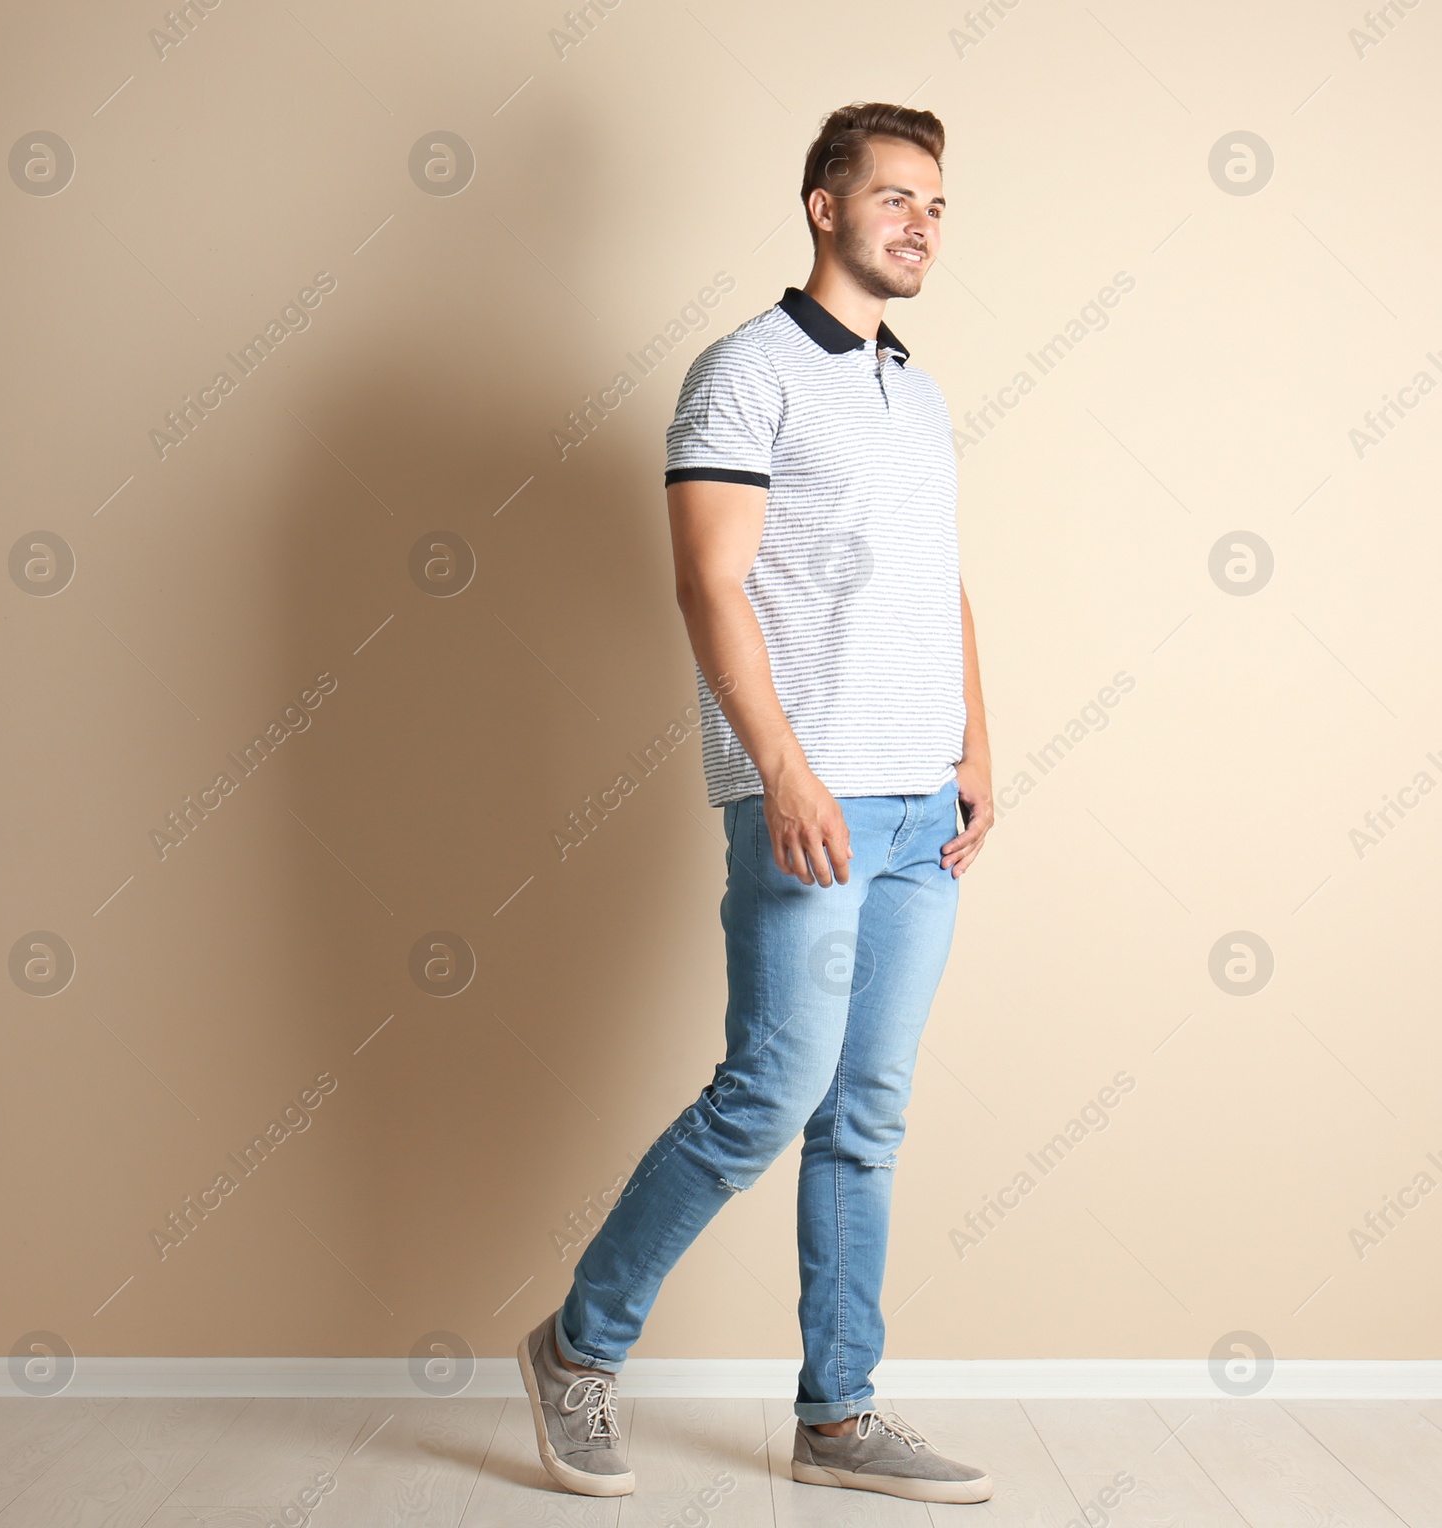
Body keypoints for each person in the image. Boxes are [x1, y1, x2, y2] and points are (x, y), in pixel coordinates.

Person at [518, 101, 996, 1506]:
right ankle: (577, 1352)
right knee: (771, 1089)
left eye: (937, 203)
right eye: (896, 195)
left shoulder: (918, 390)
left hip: (922, 807)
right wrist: (781, 768)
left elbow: (939, 579)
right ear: (823, 207)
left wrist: (978, 742)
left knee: (868, 1113)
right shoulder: (747, 374)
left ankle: (838, 1418)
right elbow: (708, 581)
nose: (921, 221)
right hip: (817, 793)